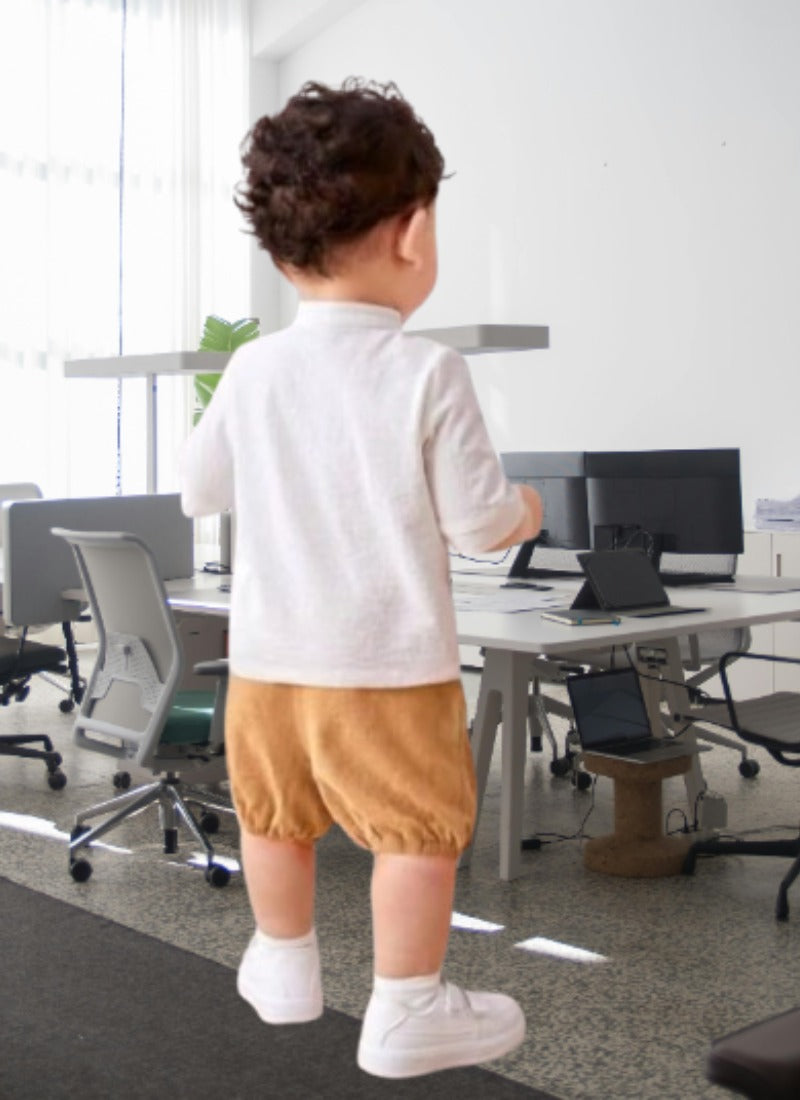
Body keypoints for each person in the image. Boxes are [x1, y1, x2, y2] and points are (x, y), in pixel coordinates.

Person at [180, 77, 542, 1080]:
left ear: (277, 245)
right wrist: (524, 513)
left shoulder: (250, 370)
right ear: (414, 230)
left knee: (273, 814)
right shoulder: (426, 369)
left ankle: (282, 962)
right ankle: (406, 1005)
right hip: (387, 666)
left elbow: (199, 488)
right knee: (414, 833)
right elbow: (476, 526)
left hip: (265, 667)